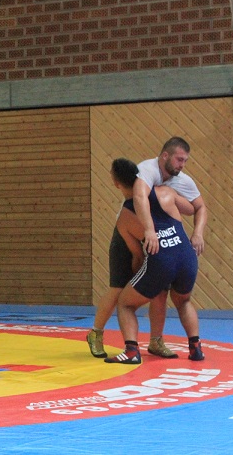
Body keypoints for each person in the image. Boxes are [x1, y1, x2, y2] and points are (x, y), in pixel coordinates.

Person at [87, 137, 207, 359]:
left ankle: (151, 343)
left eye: (185, 161)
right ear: (165, 156)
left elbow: (196, 208)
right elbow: (143, 198)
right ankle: (96, 332)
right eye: (179, 160)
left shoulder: (174, 185)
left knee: (153, 293)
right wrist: (151, 231)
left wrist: (197, 232)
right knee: (118, 289)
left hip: (154, 244)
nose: (182, 165)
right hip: (146, 239)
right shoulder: (146, 175)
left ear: (116, 184)